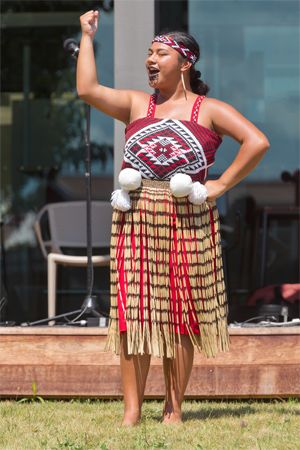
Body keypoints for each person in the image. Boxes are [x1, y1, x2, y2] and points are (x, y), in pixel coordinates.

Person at [77, 10, 270, 426]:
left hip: (189, 219)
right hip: (138, 217)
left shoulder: (208, 110)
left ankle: (173, 408)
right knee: (135, 313)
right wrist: (87, 37)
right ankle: (132, 412)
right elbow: (88, 89)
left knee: (181, 314)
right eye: (148, 53)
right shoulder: (134, 104)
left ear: (185, 62)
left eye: (160, 53)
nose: (150, 60)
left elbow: (257, 142)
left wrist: (219, 186)